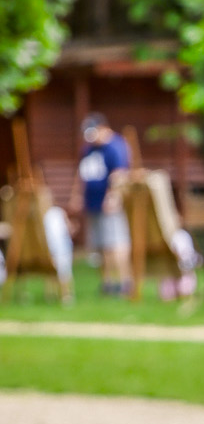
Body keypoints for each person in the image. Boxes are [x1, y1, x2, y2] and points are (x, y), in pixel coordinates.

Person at [76, 113, 131, 294]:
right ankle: (107, 283)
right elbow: (82, 173)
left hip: (110, 205)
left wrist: (112, 196)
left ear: (103, 128)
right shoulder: (89, 149)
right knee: (100, 245)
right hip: (92, 203)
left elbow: (119, 174)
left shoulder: (116, 146)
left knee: (115, 242)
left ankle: (124, 282)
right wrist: (76, 195)